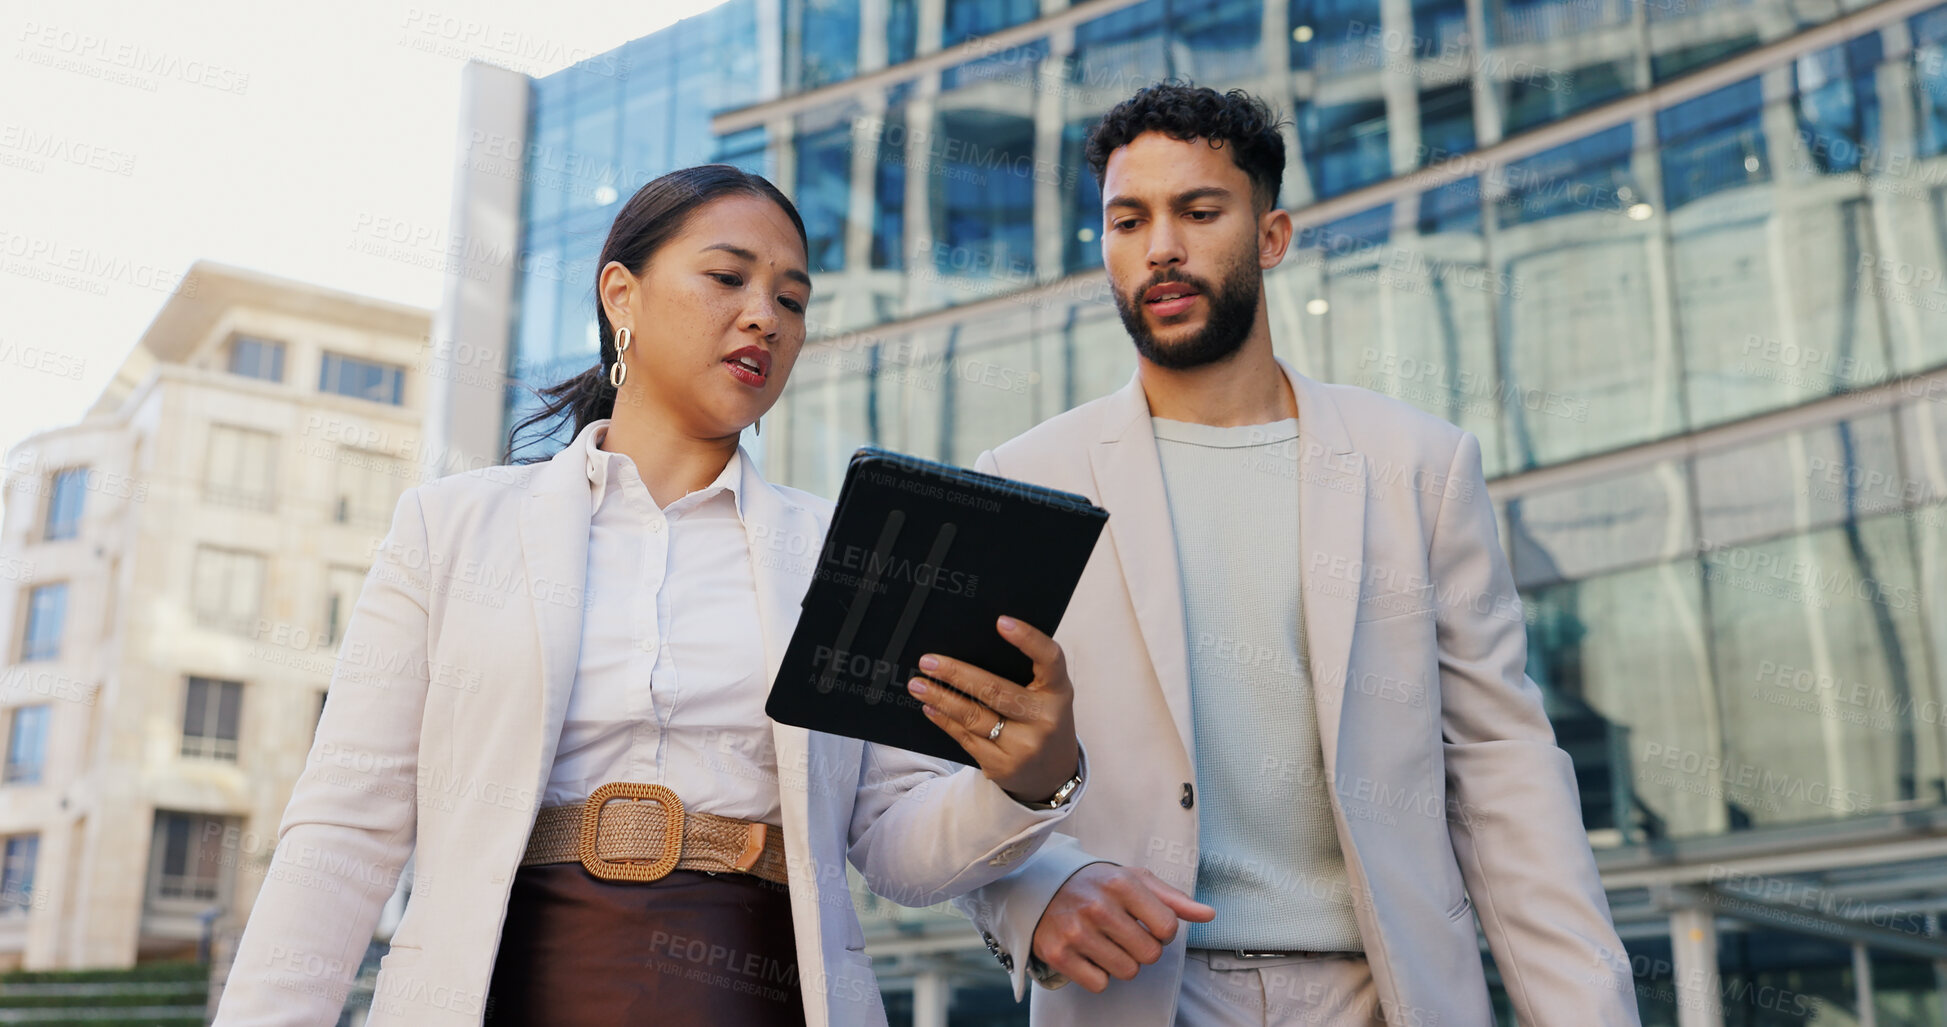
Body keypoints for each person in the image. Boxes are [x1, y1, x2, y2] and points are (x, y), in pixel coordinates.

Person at [214, 165, 1087, 1027]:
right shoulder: (448, 530)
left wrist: (1030, 782)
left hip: (758, 995)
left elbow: (896, 849)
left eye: (791, 299)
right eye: (727, 276)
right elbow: (343, 830)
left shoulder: (841, 551)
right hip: (499, 990)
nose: (763, 316)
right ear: (619, 296)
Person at [955, 84, 1640, 1026]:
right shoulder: (1025, 478)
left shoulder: (1418, 466)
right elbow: (954, 771)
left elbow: (1501, 771)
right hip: (1141, 994)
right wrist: (1033, 896)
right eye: (1129, 219)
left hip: (1382, 992)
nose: (1161, 246)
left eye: (1199, 212)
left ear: (1270, 236)